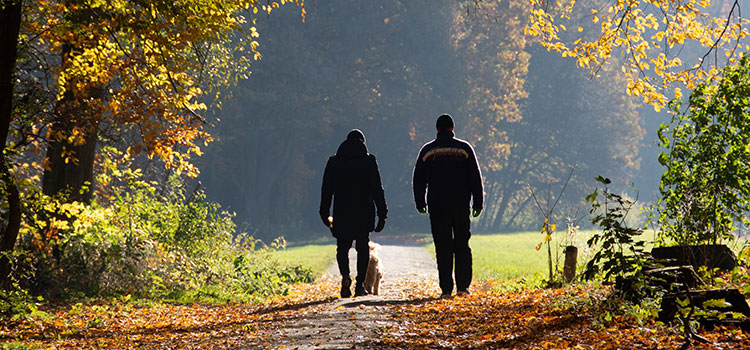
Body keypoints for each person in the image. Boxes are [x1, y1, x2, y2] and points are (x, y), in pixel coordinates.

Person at [413, 114, 483, 297]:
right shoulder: (464, 148)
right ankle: (463, 287)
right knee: (462, 244)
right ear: (453, 128)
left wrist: (420, 201)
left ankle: (446, 288)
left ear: (437, 129)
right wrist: (478, 202)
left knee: (442, 246)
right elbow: (475, 177)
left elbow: (418, 179)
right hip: (461, 204)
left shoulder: (427, 150)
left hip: (437, 205)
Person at [320, 129, 387, 297]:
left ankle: (345, 278)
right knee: (363, 248)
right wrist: (382, 214)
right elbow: (378, 189)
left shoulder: (334, 162)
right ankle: (359, 286)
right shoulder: (369, 161)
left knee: (342, 248)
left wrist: (324, 212)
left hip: (342, 212)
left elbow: (326, 190)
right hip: (364, 212)